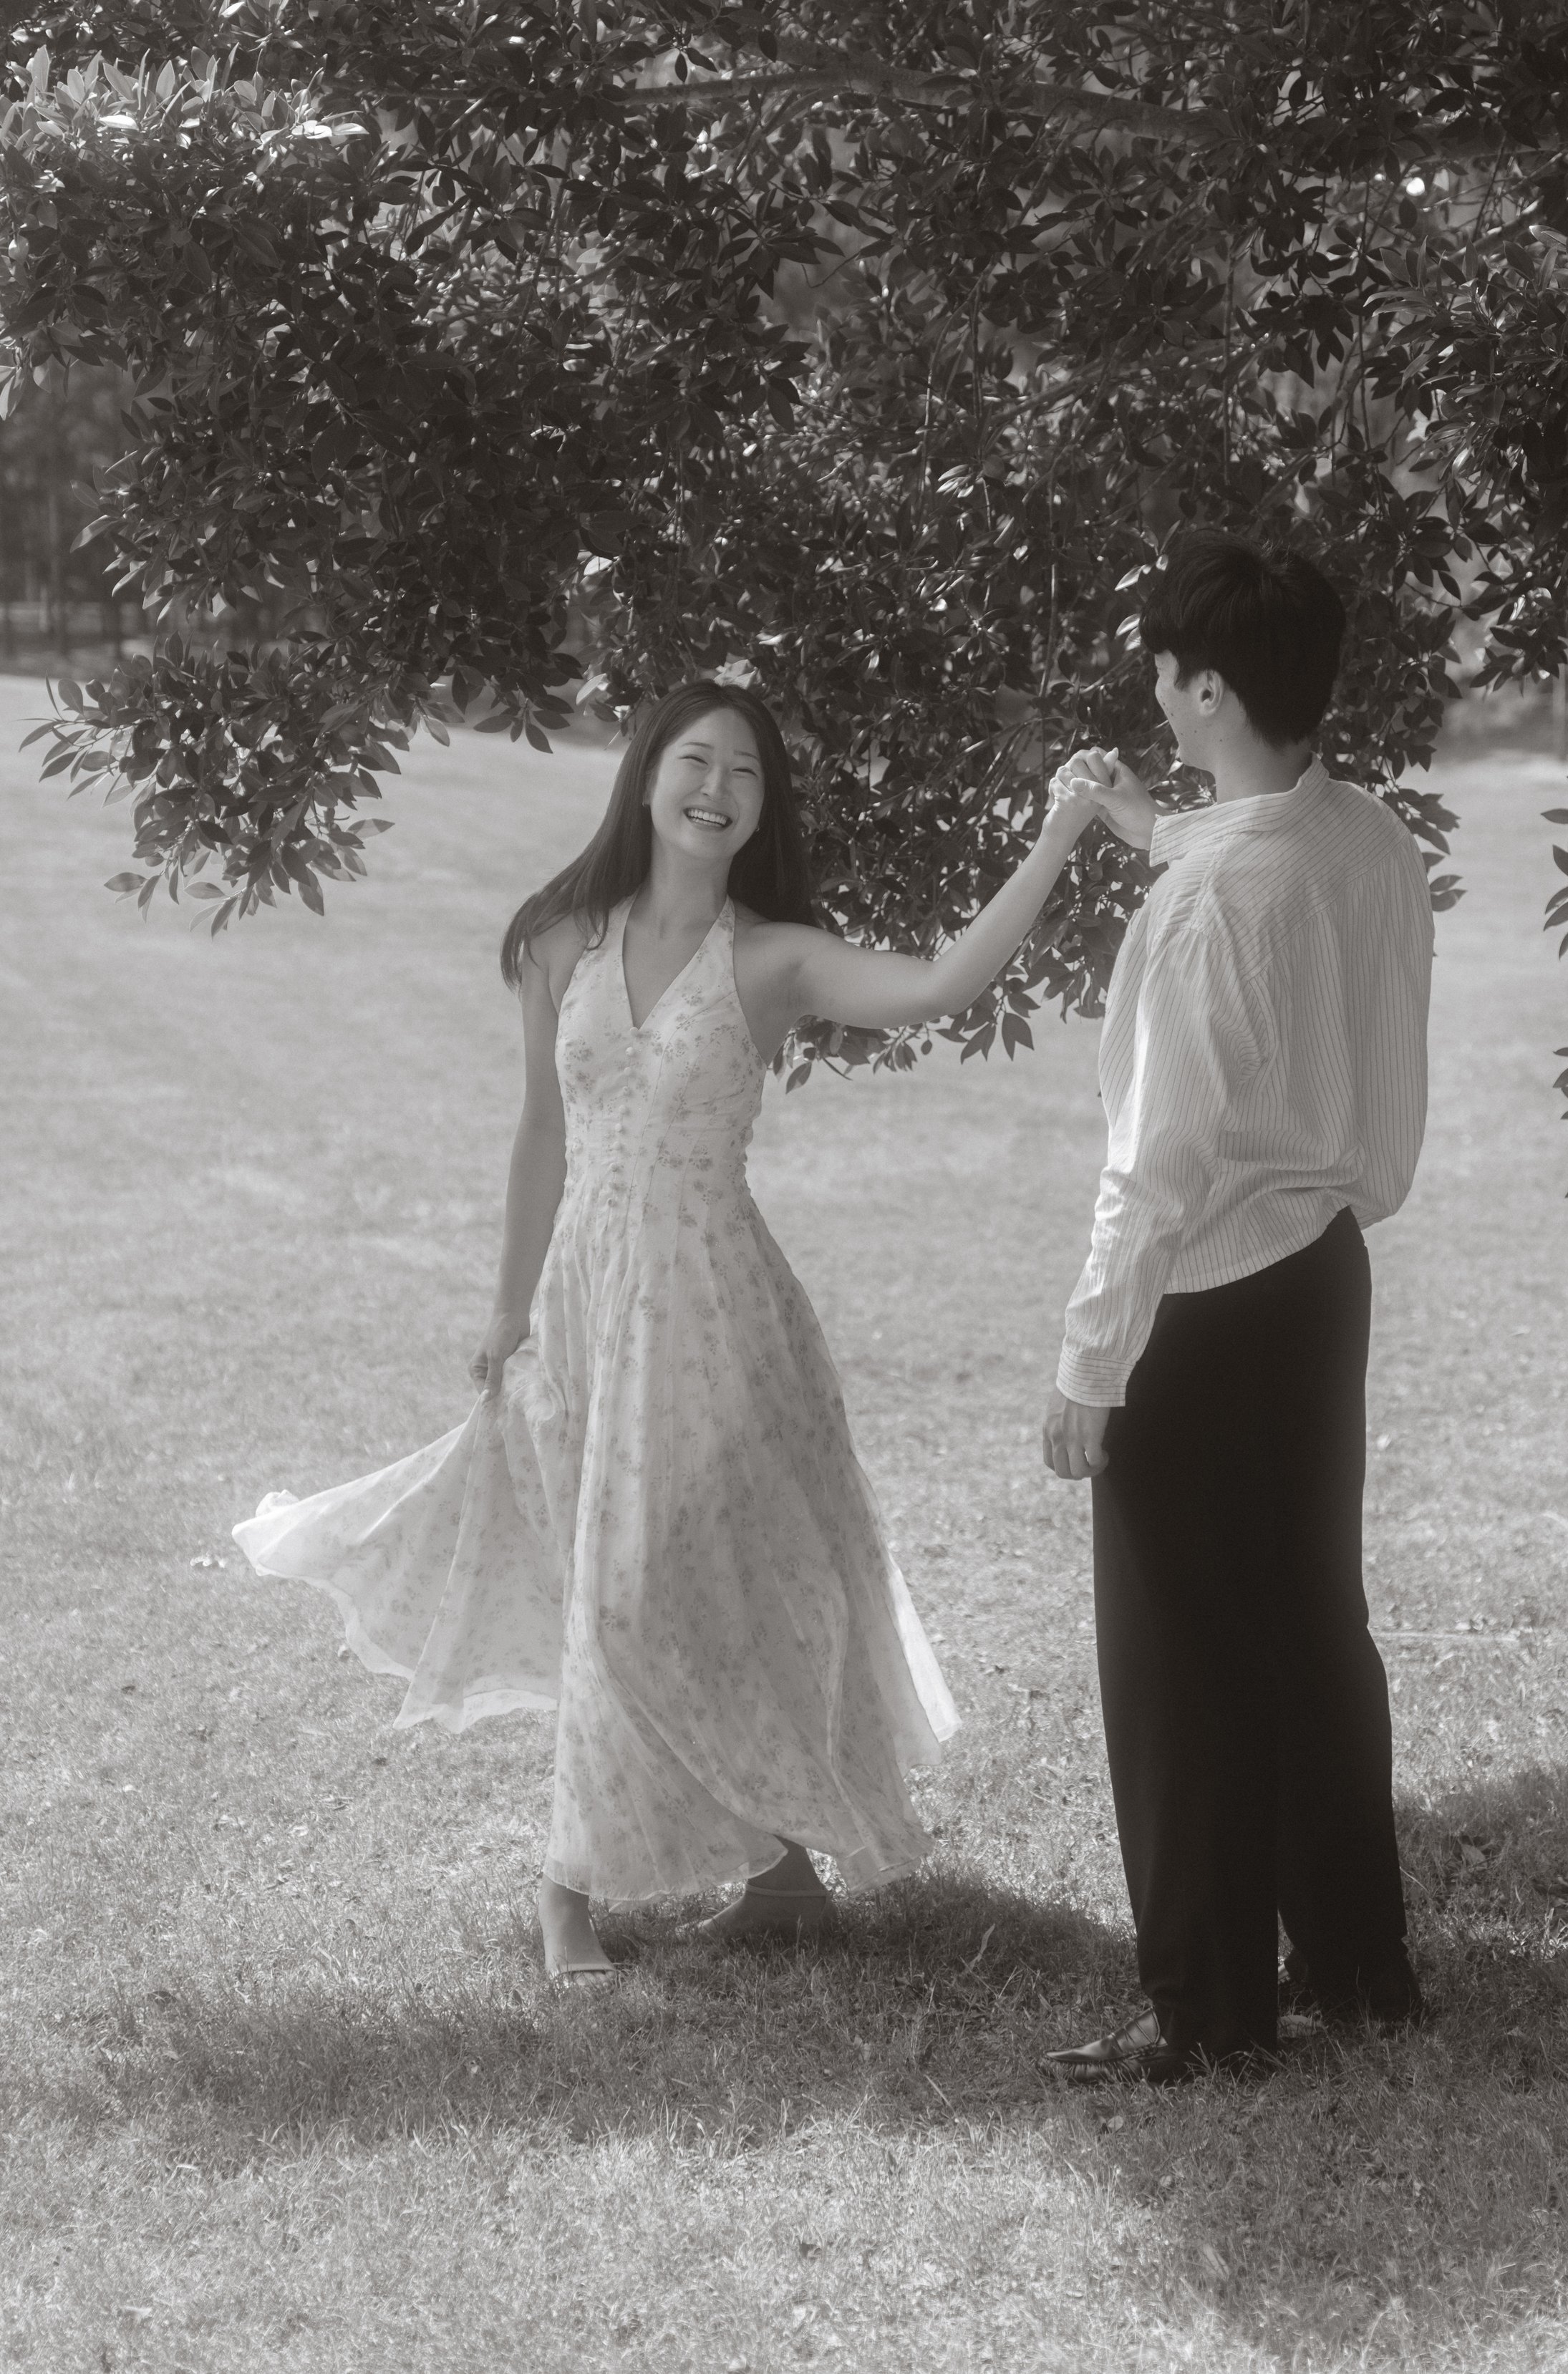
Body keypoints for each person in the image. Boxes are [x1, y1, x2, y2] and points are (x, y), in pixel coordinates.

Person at [236, 679, 1108, 1980]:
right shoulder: (558, 941)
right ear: (646, 775)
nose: (717, 788)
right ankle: (782, 1881)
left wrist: (1055, 836)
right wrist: (507, 1302)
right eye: (695, 761)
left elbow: (938, 986)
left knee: (654, 1593)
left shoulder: (772, 959)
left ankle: (567, 1893)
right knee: (640, 1587)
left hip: (716, 1316)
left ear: (763, 809)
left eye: (746, 773)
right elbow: (542, 1128)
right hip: (587, 1303)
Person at [1037, 535, 1434, 2082]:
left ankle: (1206, 2012)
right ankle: (1356, 1965)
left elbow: (1151, 1166)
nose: (1148, 685)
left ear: (1205, 688)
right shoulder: (1368, 841)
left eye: (1159, 667)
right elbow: (1260, 870)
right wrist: (1148, 825)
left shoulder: (1210, 902)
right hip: (1319, 1276)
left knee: (1179, 1658)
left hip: (1199, 1305)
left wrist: (1090, 1361)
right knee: (1309, 1624)